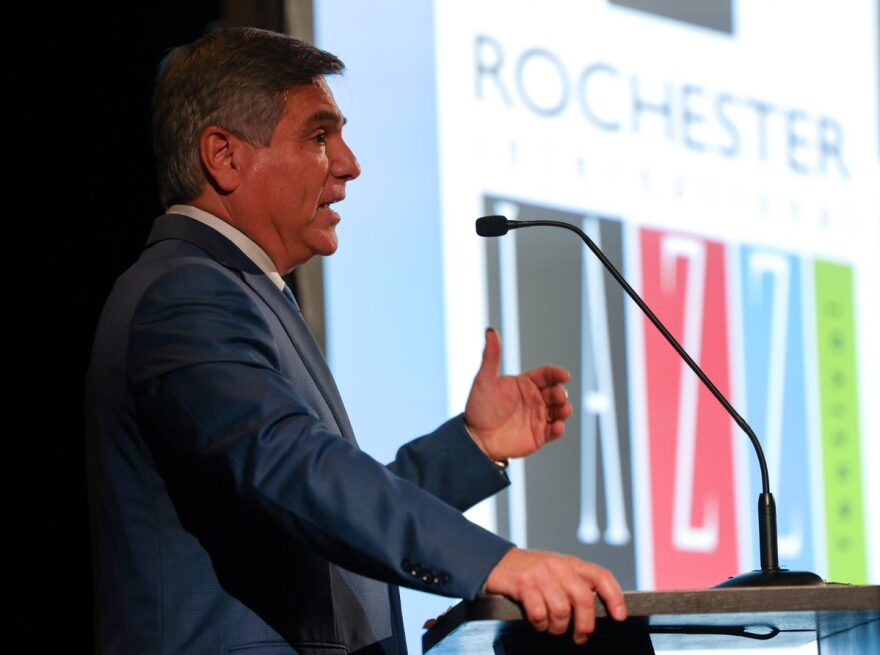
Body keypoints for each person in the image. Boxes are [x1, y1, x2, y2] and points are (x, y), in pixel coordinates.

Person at [86, 26, 627, 655]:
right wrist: (493, 564)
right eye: (320, 136)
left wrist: (473, 447)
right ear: (224, 156)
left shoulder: (241, 289)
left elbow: (315, 514)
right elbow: (291, 467)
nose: (349, 163)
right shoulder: (185, 293)